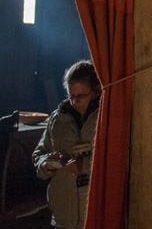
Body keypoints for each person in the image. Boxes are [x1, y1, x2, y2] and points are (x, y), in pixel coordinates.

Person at [33, 61, 101, 229]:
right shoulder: (58, 119)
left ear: (96, 90)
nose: (74, 102)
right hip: (63, 218)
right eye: (71, 96)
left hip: (95, 215)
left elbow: (121, 160)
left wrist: (85, 165)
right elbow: (38, 156)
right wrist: (49, 163)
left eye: (81, 96)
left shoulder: (106, 117)